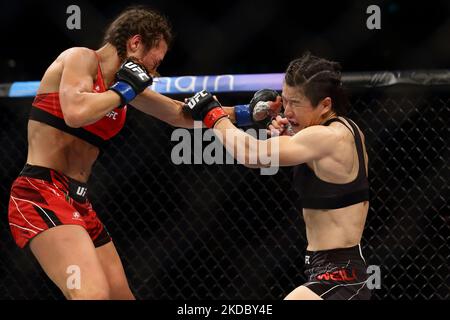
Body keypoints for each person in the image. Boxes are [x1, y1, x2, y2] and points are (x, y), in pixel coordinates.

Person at [7, 5, 280, 300]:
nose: (155, 70)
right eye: (155, 60)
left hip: (79, 201)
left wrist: (247, 113)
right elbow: (76, 112)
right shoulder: (81, 58)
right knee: (92, 295)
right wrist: (124, 90)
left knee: (121, 296)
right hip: (40, 192)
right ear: (135, 43)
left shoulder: (124, 86)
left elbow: (179, 114)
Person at [184, 52, 372, 300]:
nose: (287, 110)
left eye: (296, 103)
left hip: (340, 279)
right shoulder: (345, 129)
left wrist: (213, 114)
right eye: (285, 100)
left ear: (325, 105)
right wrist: (287, 137)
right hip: (330, 272)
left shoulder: (328, 137)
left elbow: (251, 155)